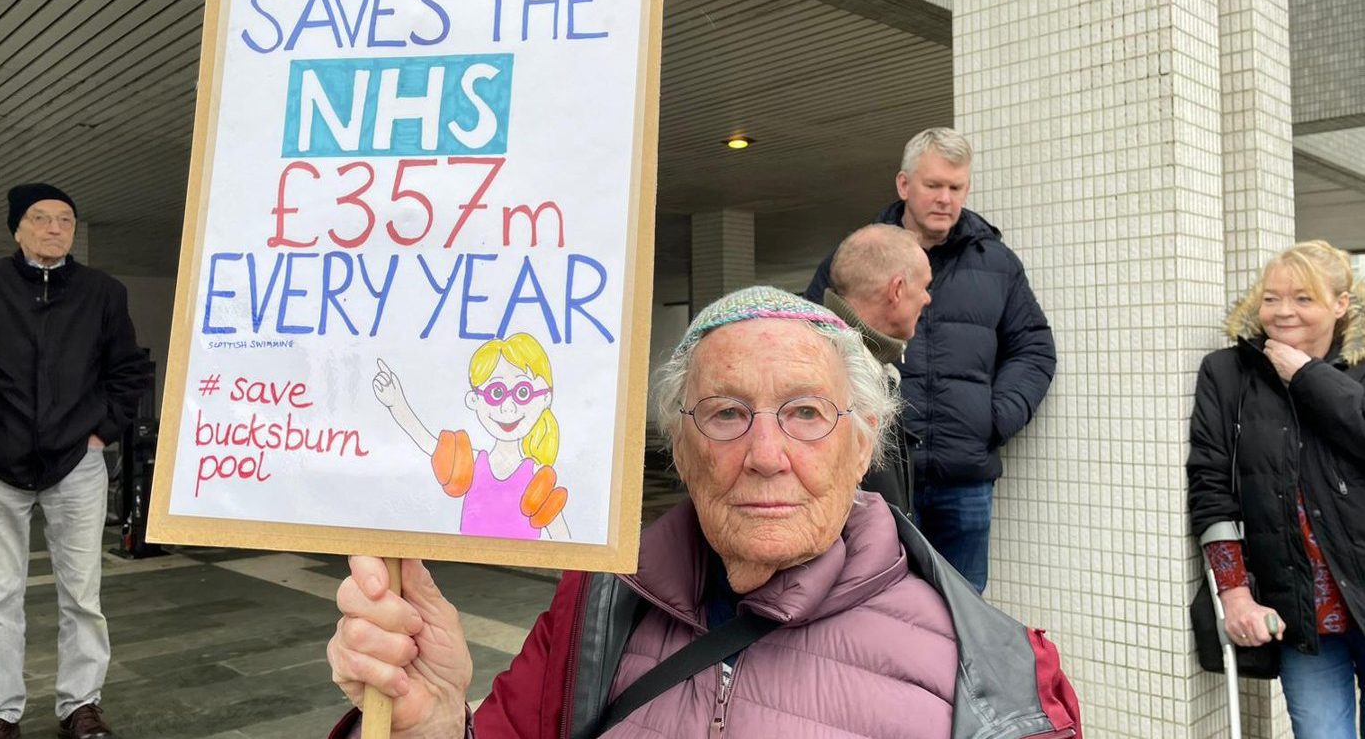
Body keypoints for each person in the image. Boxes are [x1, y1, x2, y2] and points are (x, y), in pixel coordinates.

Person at [325, 287, 1080, 738]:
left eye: (806, 412)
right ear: (679, 450)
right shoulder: (593, 605)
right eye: (724, 414)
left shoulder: (998, 678)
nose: (764, 452)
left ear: (863, 444)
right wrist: (431, 720)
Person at [0, 184, 151, 739]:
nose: (55, 228)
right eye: (41, 218)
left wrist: (100, 435)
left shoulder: (103, 292)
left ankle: (81, 706)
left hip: (77, 463)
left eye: (66, 220)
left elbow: (128, 371)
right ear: (16, 228)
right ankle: (0, 712)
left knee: (83, 594)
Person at [805, 127, 1055, 594]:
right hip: (876, 471)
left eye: (955, 187)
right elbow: (814, 339)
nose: (945, 198)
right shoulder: (861, 253)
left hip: (964, 477)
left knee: (963, 606)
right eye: (933, 185)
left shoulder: (997, 263)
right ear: (904, 185)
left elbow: (1034, 347)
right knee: (877, 600)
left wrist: (992, 419)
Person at [1187, 240, 1365, 738]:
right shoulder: (1227, 373)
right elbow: (1210, 481)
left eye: (1303, 298)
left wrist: (1308, 376)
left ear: (1340, 304)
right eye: (1272, 297)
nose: (1283, 311)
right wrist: (1236, 593)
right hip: (1299, 608)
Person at [372, 333, 570, 540]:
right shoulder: (471, 463)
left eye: (523, 392)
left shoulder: (539, 480)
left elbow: (566, 544)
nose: (508, 407)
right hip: (464, 565)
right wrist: (396, 403)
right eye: (496, 393)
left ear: (545, 397)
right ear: (474, 399)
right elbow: (427, 442)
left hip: (515, 566)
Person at [819, 222, 932, 515]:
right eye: (924, 286)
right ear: (897, 290)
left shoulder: (868, 363)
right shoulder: (830, 371)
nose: (927, 298)